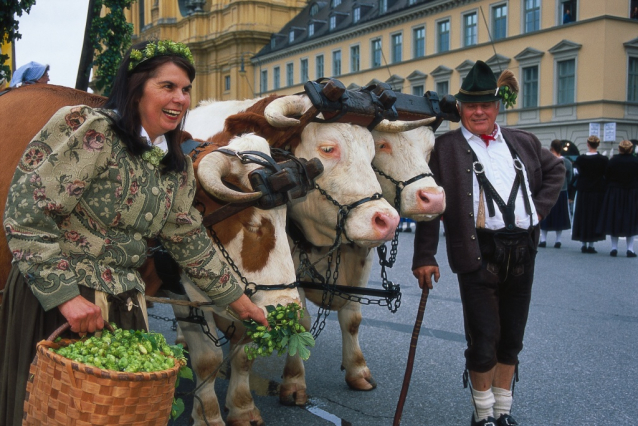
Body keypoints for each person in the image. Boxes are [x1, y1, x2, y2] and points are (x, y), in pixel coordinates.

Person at [0, 40, 269, 426]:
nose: (180, 98)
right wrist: (65, 297)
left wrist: (237, 300)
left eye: (186, 89)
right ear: (136, 86)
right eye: (168, 86)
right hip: (58, 305)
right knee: (56, 412)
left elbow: (188, 238)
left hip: (123, 305)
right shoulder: (91, 131)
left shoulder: (174, 164)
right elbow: (27, 211)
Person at [412, 60, 564, 426]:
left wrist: (538, 211)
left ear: (497, 106)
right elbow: (430, 204)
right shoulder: (443, 148)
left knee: (511, 340)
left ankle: (503, 412)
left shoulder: (522, 141)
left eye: (486, 105)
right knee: (483, 340)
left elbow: (557, 169)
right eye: (471, 105)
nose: (479, 112)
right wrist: (424, 255)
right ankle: (482, 416)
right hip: (477, 251)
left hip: (523, 251)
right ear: (461, 108)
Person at [596, 140, 638, 257]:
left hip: (615, 192)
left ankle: (614, 248)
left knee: (614, 218)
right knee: (631, 219)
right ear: (631, 149)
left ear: (619, 149)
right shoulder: (636, 161)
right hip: (632, 192)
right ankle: (630, 249)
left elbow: (607, 176)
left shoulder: (613, 161)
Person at [571, 135, 608, 253]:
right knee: (593, 216)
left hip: (583, 191)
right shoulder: (603, 160)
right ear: (598, 145)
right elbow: (606, 175)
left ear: (587, 144)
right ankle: (591, 244)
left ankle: (583, 243)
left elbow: (576, 174)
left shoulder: (580, 159)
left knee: (582, 215)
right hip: (597, 192)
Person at [539, 139, 573, 248]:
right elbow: (570, 177)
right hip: (562, 191)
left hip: (547, 191)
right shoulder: (566, 162)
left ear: (551, 148)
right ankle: (558, 240)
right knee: (560, 216)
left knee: (545, 215)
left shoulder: (546, 160)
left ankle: (543, 239)